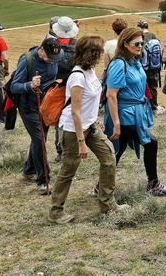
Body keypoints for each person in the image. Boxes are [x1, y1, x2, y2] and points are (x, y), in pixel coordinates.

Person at [49, 35, 127, 223]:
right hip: (73, 130)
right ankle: (56, 211)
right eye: (98, 53)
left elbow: (89, 104)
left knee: (108, 158)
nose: (101, 56)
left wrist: (95, 121)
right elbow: (75, 112)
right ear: (90, 54)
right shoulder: (77, 76)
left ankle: (108, 204)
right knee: (69, 168)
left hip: (90, 126)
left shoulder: (91, 72)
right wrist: (81, 142)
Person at [105, 27, 166, 196]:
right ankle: (153, 184)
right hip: (126, 113)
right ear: (125, 44)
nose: (140, 46)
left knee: (118, 150)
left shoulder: (134, 61)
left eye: (142, 43)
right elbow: (111, 95)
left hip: (136, 110)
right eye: (136, 43)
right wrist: (116, 122)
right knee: (151, 143)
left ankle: (101, 186)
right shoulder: (118, 64)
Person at [10, 37, 63, 194]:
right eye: (49, 57)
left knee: (40, 139)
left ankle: (29, 169)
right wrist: (30, 85)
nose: (51, 61)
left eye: (55, 59)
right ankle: (43, 179)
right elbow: (14, 86)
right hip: (29, 107)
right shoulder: (27, 61)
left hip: (46, 106)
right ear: (41, 50)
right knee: (40, 140)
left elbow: (53, 77)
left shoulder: (53, 60)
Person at [47, 16, 79, 162]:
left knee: (59, 118)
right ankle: (75, 147)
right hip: (75, 86)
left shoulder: (51, 45)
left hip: (57, 86)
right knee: (76, 115)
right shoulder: (78, 45)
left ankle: (60, 151)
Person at [138, 20, 164, 115]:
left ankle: (143, 106)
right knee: (153, 87)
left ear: (139, 27)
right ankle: (154, 107)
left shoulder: (139, 37)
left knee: (142, 86)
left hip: (143, 67)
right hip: (154, 67)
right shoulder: (153, 36)